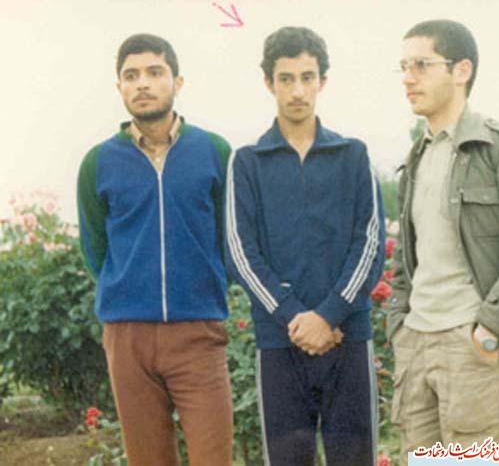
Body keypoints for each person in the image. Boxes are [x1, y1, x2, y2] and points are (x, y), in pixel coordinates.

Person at [386, 19, 499, 466]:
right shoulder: (416, 158)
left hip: (473, 347)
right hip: (418, 346)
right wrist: (400, 328)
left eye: (422, 65)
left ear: (462, 70)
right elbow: (408, 261)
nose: (408, 78)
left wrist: (490, 328)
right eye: (404, 67)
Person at [225, 26, 385, 466]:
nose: (298, 90)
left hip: (347, 336)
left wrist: (330, 314)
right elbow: (240, 251)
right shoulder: (248, 162)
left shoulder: (353, 155)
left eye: (307, 77)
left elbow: (370, 243)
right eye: (286, 78)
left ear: (322, 81)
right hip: (280, 341)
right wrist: (294, 317)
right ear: (268, 83)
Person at [77, 33, 233, 466]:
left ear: (177, 81)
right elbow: (95, 247)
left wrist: (207, 286)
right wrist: (128, 289)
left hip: (198, 332)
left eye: (154, 72)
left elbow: (229, 238)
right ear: (119, 87)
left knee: (213, 457)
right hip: (128, 337)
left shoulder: (214, 152)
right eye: (131, 75)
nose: (142, 83)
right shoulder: (98, 162)